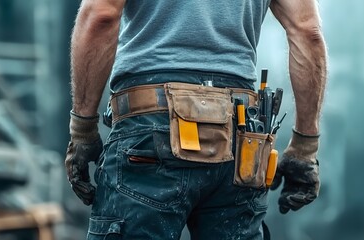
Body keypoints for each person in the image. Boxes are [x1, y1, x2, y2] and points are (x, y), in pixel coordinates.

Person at [64, 0, 327, 239]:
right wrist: (304, 147)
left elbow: (101, 14)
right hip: (240, 137)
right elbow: (307, 31)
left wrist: (83, 129)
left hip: (152, 130)